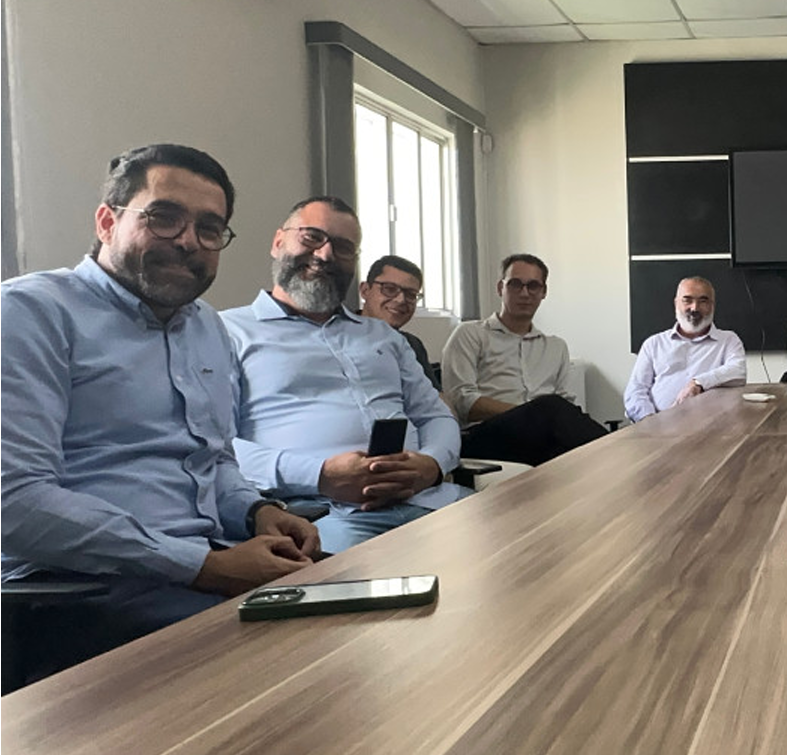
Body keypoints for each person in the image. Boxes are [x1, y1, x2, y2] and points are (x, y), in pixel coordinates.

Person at [1, 145, 318, 677]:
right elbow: (14, 501)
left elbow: (212, 461)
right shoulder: (31, 314)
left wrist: (257, 512)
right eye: (164, 218)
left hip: (198, 568)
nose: (189, 241)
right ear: (107, 221)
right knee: (297, 659)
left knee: (369, 603)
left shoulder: (208, 328)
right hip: (73, 592)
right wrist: (204, 566)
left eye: (209, 229)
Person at [223, 197, 468, 552]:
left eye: (342, 247)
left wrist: (431, 464)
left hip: (431, 500)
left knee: (527, 556)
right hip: (321, 517)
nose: (325, 255)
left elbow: (435, 415)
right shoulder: (226, 332)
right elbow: (216, 446)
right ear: (278, 242)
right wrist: (320, 475)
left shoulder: (382, 336)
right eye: (311, 238)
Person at [440, 254, 608, 465]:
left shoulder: (556, 347)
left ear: (543, 292)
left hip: (541, 437)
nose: (524, 293)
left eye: (533, 286)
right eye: (515, 284)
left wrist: (541, 416)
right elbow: (462, 401)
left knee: (573, 446)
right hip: (484, 436)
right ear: (501, 288)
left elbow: (566, 406)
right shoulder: (470, 334)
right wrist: (530, 413)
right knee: (551, 408)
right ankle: (616, 453)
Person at [624, 276, 747, 422]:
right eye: (687, 300)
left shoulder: (728, 340)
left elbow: (738, 371)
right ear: (676, 303)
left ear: (712, 305)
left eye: (703, 301)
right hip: (659, 428)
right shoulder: (654, 344)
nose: (694, 308)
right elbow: (635, 391)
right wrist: (649, 421)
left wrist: (698, 383)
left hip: (711, 428)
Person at [359, 254, 435, 388]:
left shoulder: (412, 345)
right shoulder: (336, 334)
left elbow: (436, 400)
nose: (401, 300)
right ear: (365, 290)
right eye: (389, 289)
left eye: (410, 295)